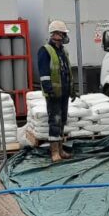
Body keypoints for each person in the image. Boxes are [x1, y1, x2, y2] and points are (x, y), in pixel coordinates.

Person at [37, 20, 73, 163]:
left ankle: (61, 148)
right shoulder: (45, 50)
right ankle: (54, 152)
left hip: (63, 92)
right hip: (53, 93)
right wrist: (48, 89)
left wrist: (72, 90)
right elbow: (44, 72)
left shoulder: (63, 51)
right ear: (56, 34)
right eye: (63, 33)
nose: (65, 36)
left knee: (62, 120)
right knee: (55, 121)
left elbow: (67, 71)